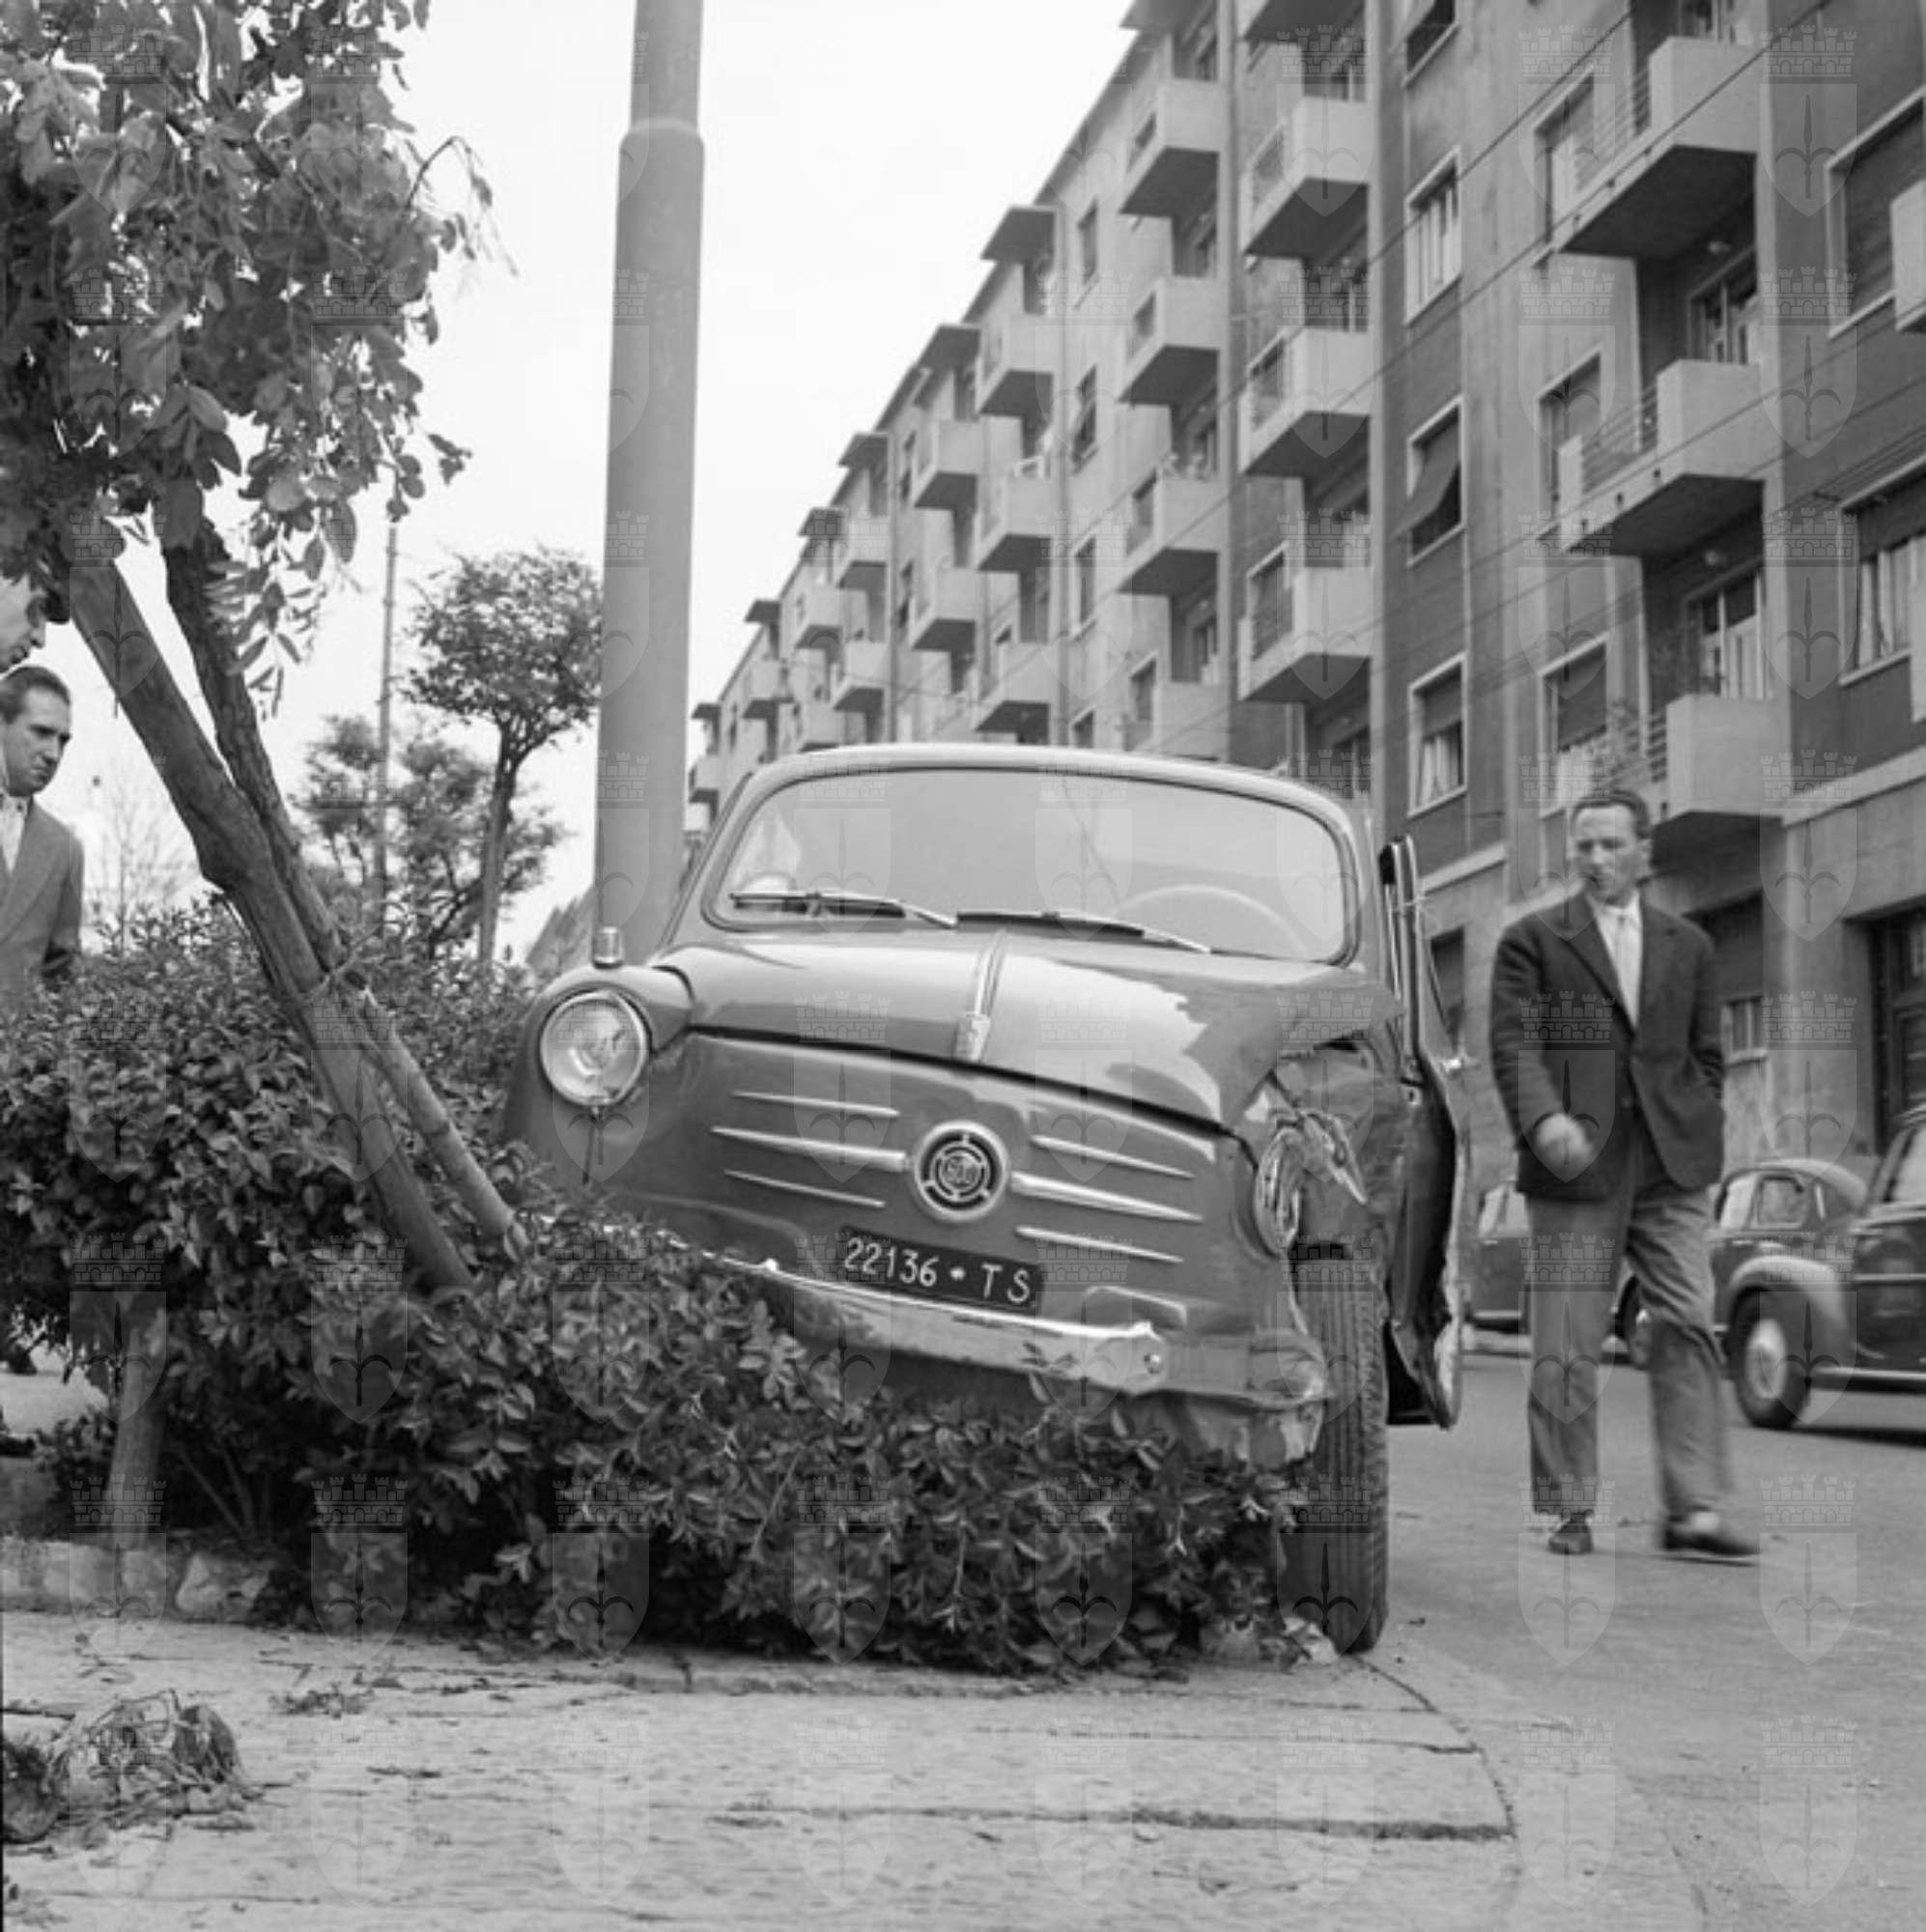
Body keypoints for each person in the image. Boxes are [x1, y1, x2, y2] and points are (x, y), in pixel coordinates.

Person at [1488, 786, 1757, 1563]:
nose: (1596, 859)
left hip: (1671, 1166)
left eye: (1612, 845)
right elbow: (1514, 1046)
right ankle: (1571, 1509)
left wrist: (1699, 1115)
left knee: (1687, 1321)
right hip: (1575, 1167)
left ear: (1645, 852)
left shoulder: (1690, 945)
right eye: (1585, 846)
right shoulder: (1533, 941)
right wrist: (1545, 1121)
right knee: (1568, 1338)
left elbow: (1707, 1055)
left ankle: (1695, 1509)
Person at [1, 666, 82, 1405]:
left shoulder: (62, 848)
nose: (52, 752)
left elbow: (62, 973)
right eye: (39, 732)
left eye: (63, 739)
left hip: (11, 1088)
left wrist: (45, 1069)